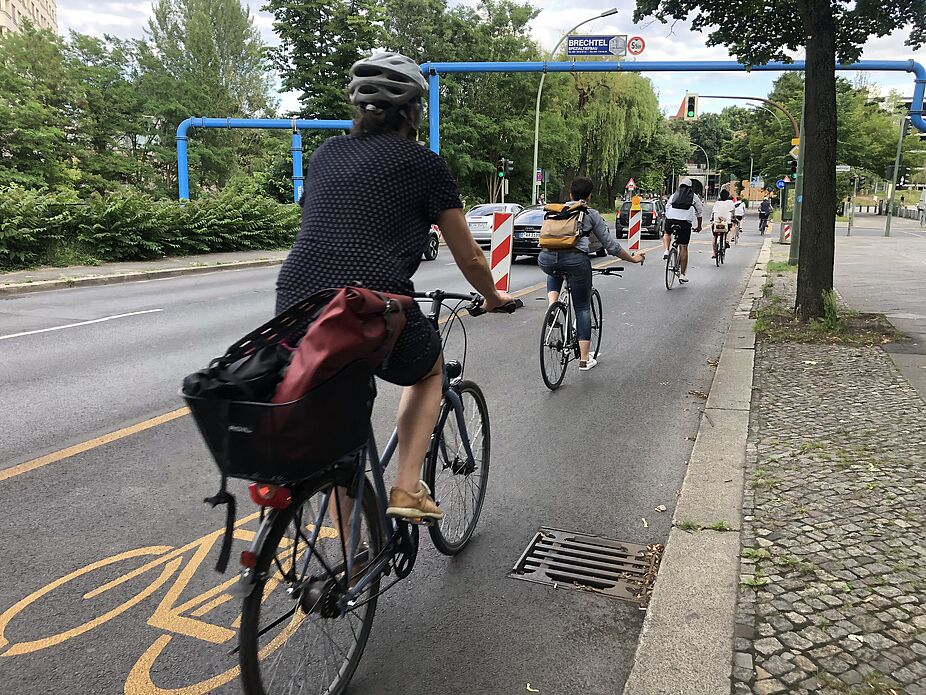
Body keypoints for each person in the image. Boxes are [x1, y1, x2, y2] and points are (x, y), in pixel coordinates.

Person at [275, 52, 514, 522]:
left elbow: (324, 222)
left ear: (358, 109)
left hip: (297, 303)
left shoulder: (326, 155)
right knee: (428, 370)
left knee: (341, 437)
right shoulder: (425, 165)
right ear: (413, 112)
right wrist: (492, 296)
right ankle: (406, 487)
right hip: (370, 303)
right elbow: (468, 255)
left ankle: (347, 561)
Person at [538, 177, 644, 371]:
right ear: (589, 197)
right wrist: (633, 259)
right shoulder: (590, 213)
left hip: (545, 258)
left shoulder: (554, 211)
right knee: (582, 307)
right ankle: (585, 359)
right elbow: (610, 246)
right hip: (576, 261)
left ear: (570, 195)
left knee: (554, 266)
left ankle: (553, 305)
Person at [662, 177, 703, 283]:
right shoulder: (694, 197)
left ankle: (666, 250)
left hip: (671, 220)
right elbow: (699, 212)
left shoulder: (674, 195)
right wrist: (699, 226)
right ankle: (683, 274)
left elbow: (667, 207)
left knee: (667, 233)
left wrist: (669, 217)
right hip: (684, 223)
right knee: (683, 247)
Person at [711, 189, 737, 258]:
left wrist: (712, 219)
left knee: (715, 236)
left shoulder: (716, 203)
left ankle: (714, 253)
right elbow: (733, 212)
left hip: (717, 223)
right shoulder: (730, 202)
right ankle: (727, 241)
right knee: (728, 230)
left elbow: (713, 213)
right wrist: (734, 218)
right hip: (726, 222)